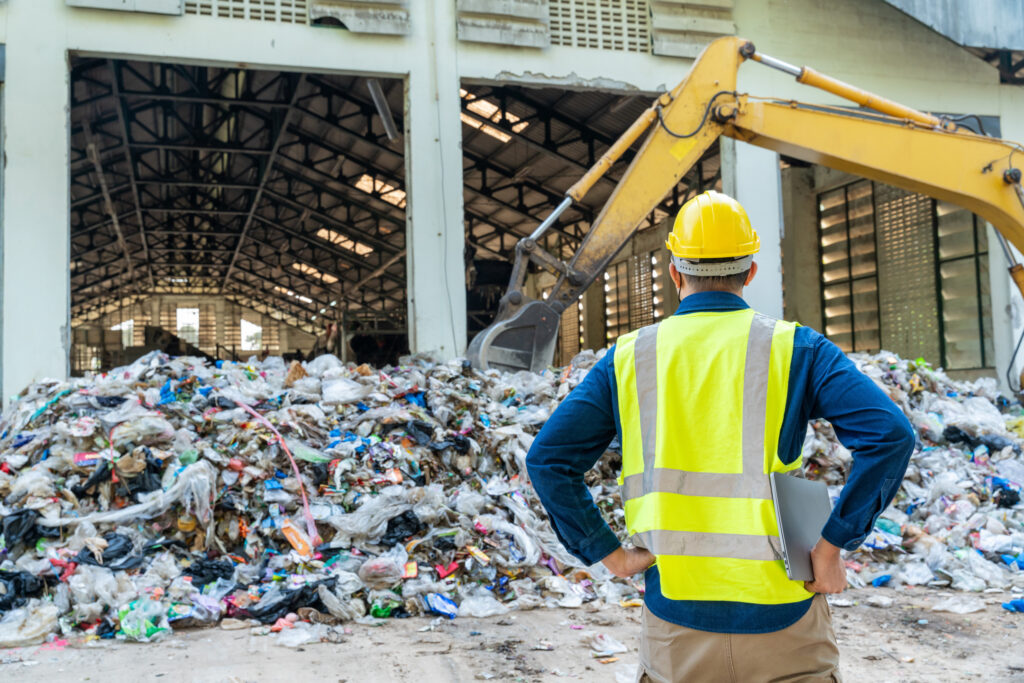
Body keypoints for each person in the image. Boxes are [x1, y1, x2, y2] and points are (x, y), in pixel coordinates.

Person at [526, 190, 914, 682]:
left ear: (674, 272)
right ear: (751, 272)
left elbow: (548, 461)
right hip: (785, 620)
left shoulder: (628, 358)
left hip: (676, 625)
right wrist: (832, 546)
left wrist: (611, 554)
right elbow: (890, 435)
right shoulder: (797, 348)